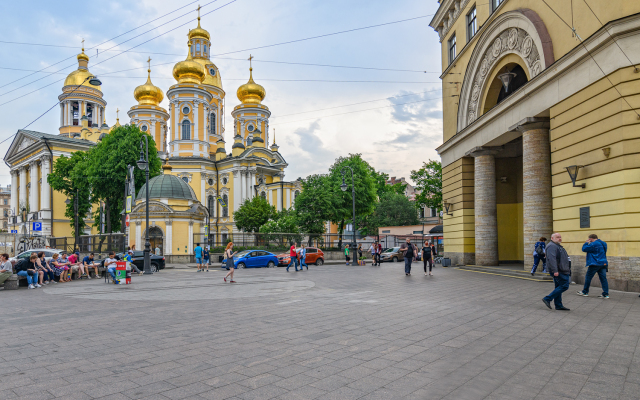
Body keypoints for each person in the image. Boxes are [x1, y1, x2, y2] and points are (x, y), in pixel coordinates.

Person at [542, 233, 571, 311]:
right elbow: (552, 259)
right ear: (552, 238)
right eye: (557, 237)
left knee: (558, 287)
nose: (560, 238)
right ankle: (547, 298)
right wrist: (555, 270)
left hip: (561, 269)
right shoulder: (552, 246)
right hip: (559, 270)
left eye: (560, 237)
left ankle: (558, 305)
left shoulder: (557, 246)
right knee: (564, 286)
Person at [577, 234, 609, 299]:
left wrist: (586, 243)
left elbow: (584, 249)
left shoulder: (593, 244)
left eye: (589, 239)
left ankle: (585, 292)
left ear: (591, 239)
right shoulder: (604, 243)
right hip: (603, 263)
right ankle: (606, 294)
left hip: (594, 263)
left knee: (588, 277)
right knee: (603, 279)